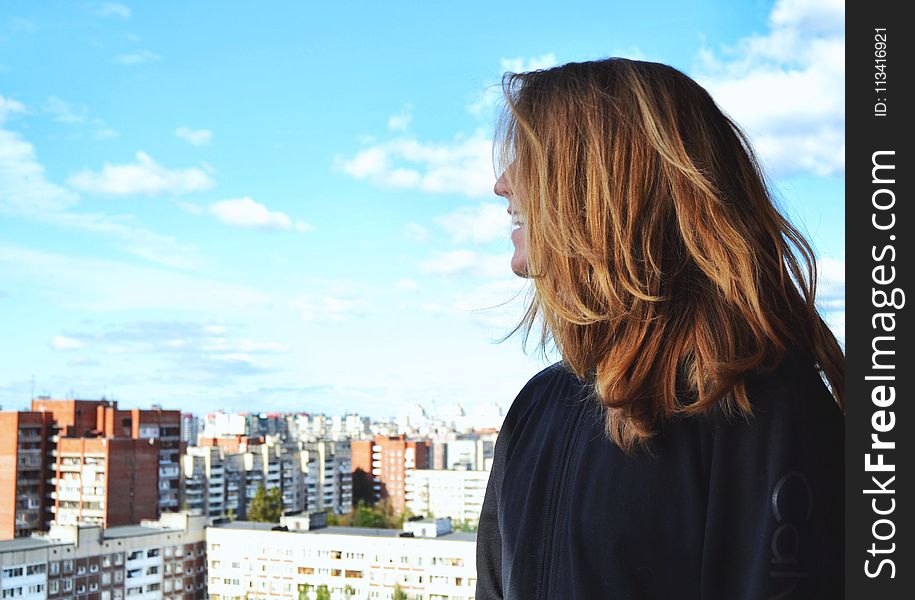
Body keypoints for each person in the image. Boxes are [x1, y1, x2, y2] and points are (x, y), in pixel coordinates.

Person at [475, 58, 844, 600]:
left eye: (531, 158)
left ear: (610, 182)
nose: (501, 185)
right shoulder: (537, 405)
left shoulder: (759, 405)